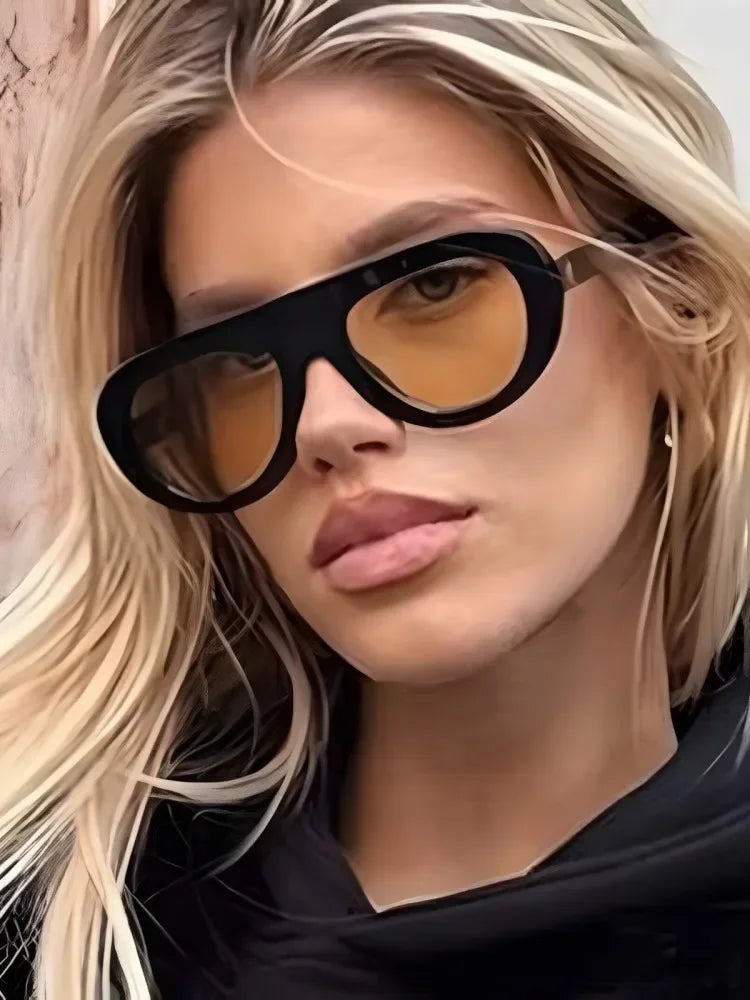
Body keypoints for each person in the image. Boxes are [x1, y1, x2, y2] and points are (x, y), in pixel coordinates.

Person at [3, 0, 750, 996]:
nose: (325, 422)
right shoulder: (61, 937)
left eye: (433, 285)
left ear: (678, 306)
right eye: (238, 357)